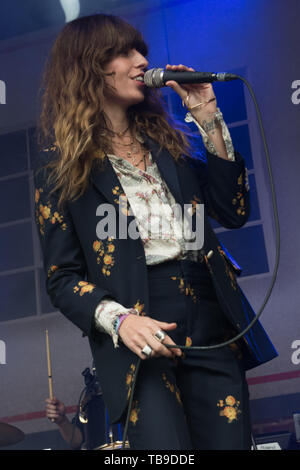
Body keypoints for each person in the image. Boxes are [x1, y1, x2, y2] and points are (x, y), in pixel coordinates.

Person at [34, 13, 277, 450]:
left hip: (210, 313)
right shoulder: (61, 173)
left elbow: (233, 210)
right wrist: (120, 320)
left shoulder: (171, 145)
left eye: (141, 50)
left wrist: (206, 114)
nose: (141, 61)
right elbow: (61, 278)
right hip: (139, 323)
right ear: (89, 66)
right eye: (124, 52)